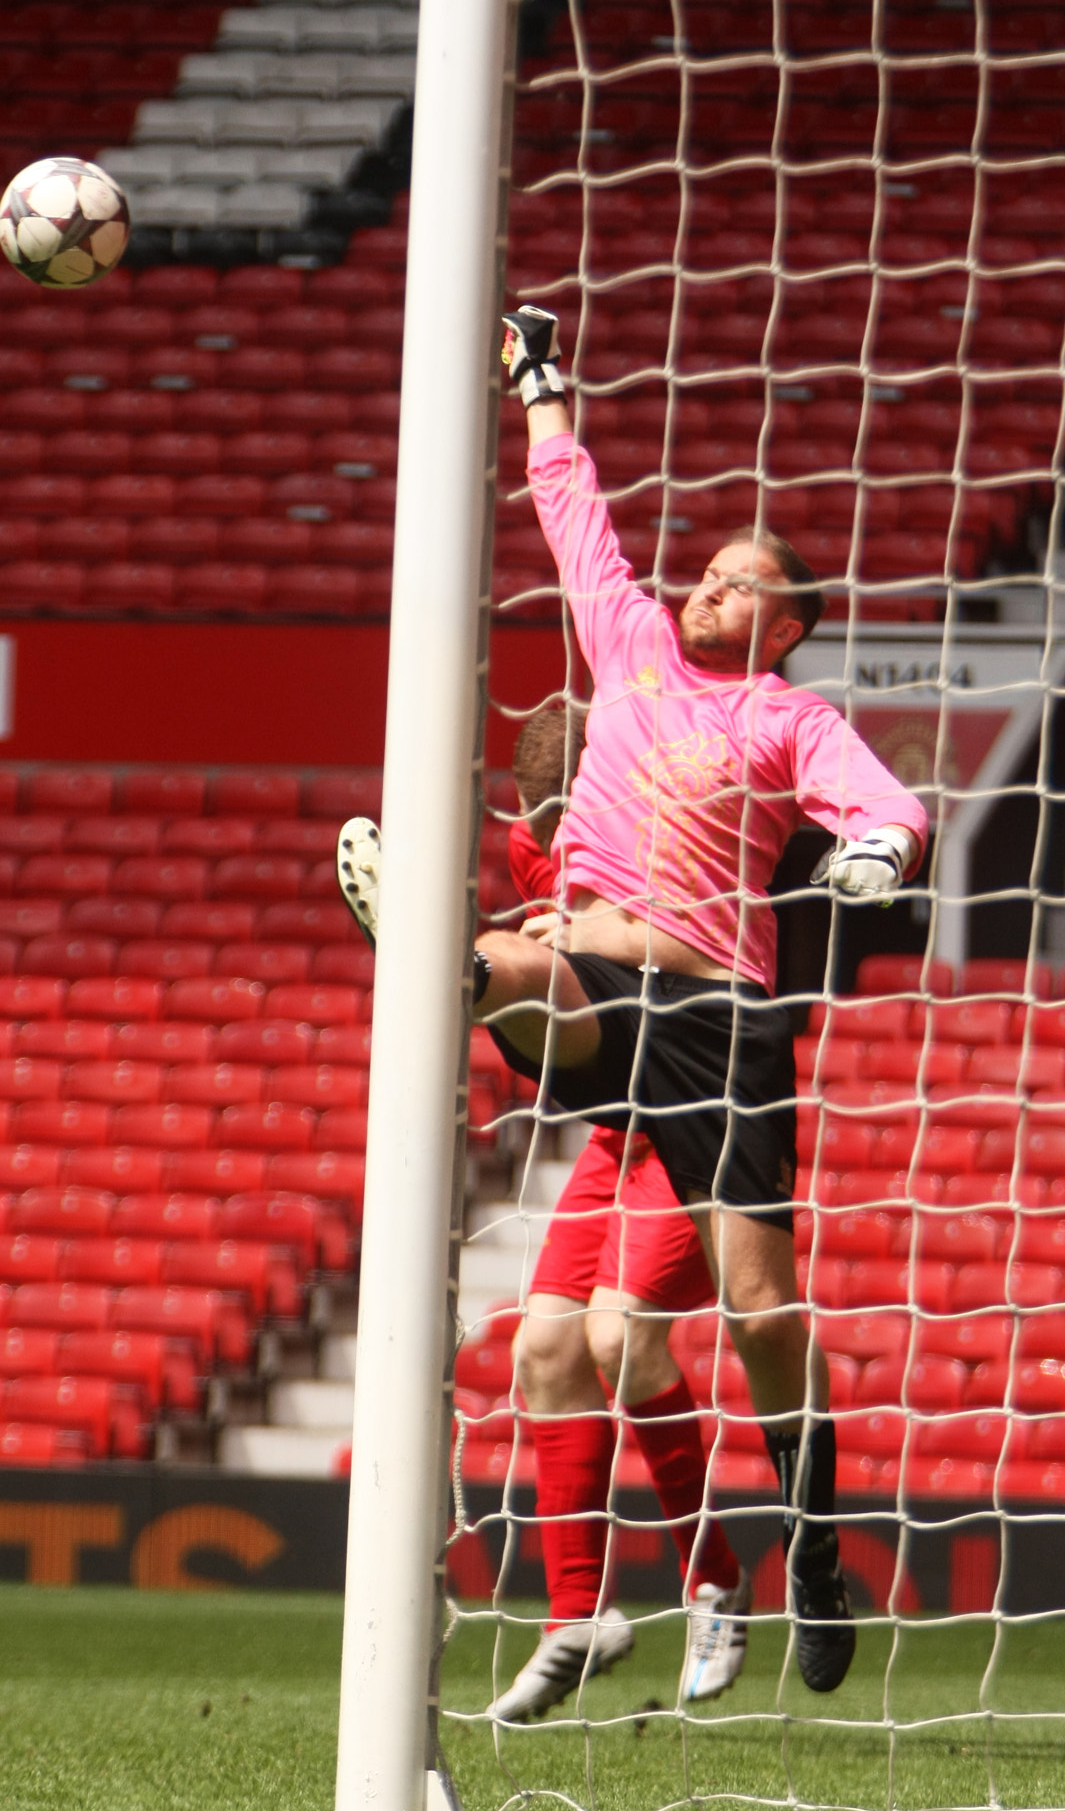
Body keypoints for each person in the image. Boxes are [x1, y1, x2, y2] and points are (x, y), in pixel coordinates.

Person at [466, 305, 930, 1695]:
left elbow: (889, 806)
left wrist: (867, 853)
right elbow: (569, 504)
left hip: (720, 1024)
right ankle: (446, 957)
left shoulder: (790, 720)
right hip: (597, 972)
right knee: (483, 961)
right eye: (709, 574)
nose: (707, 589)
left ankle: (811, 1549)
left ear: (782, 621)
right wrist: (539, 383)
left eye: (738, 584)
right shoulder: (629, 649)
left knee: (760, 1308)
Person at [338, 705, 756, 1723]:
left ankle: (717, 1584)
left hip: (716, 1113)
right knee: (545, 1353)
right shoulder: (537, 843)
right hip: (625, 1123)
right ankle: (579, 1617)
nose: (555, 835)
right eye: (543, 820)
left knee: (618, 1331)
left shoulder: (685, 839)